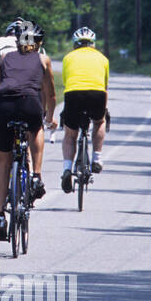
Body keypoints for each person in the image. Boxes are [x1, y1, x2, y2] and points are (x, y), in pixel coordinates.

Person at [0, 25, 57, 240]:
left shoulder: (6, 57)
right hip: (29, 104)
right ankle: (36, 176)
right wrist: (49, 116)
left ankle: (0, 215)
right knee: (35, 128)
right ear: (37, 43)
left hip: (3, 106)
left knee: (2, 163)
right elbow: (51, 94)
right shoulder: (42, 60)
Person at [59, 27, 109, 193]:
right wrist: (104, 110)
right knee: (99, 121)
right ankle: (97, 158)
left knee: (70, 134)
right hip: (97, 94)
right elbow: (104, 86)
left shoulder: (67, 58)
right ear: (93, 44)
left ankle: (67, 168)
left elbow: (67, 83)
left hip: (73, 95)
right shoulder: (103, 58)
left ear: (75, 44)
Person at [0, 18, 29, 133]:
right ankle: (29, 150)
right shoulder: (31, 42)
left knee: (0, 134)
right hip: (28, 92)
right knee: (34, 128)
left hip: (4, 90)